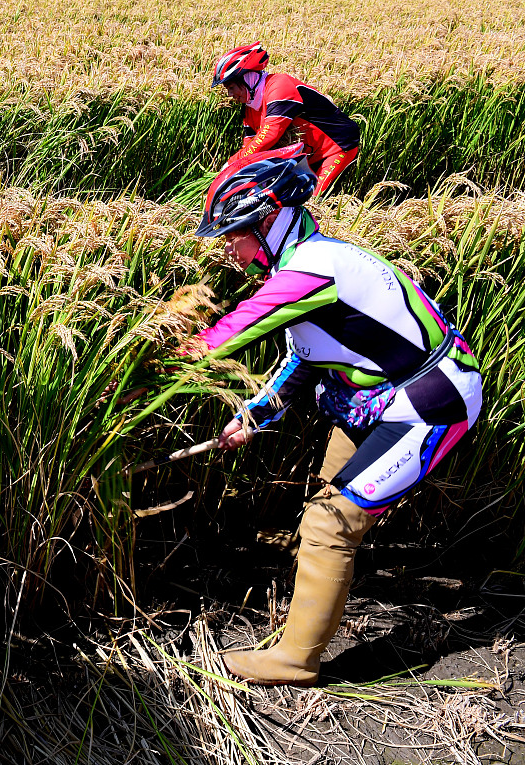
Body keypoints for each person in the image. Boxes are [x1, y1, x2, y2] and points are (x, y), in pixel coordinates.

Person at [185, 145, 482, 686]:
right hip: (377, 398)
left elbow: (229, 333)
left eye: (234, 234)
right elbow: (301, 360)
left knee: (331, 521)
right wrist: (251, 417)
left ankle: (296, 660)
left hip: (431, 403)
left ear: (270, 220)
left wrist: (154, 357)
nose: (229, 250)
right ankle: (304, 621)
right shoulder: (311, 262)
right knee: (326, 498)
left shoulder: (315, 269)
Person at [212, 43, 361, 195]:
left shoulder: (279, 86)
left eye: (231, 87)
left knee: (310, 201)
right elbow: (250, 145)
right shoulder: (249, 107)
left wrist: (232, 163)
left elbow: (269, 134)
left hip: (336, 148)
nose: (230, 95)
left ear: (246, 78)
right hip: (307, 156)